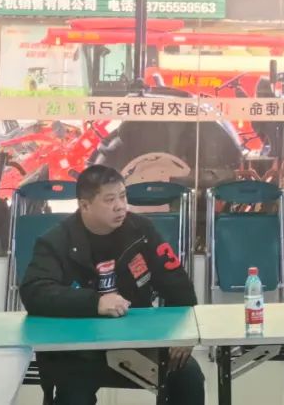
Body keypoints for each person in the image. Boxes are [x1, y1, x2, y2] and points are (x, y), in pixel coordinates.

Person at [20, 165, 203, 405]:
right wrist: (94, 303)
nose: (120, 206)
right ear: (85, 205)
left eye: (123, 196)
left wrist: (184, 334)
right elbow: (34, 291)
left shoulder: (142, 232)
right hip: (77, 350)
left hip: (136, 343)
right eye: (109, 200)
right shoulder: (56, 241)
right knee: (74, 397)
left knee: (187, 375)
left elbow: (177, 282)